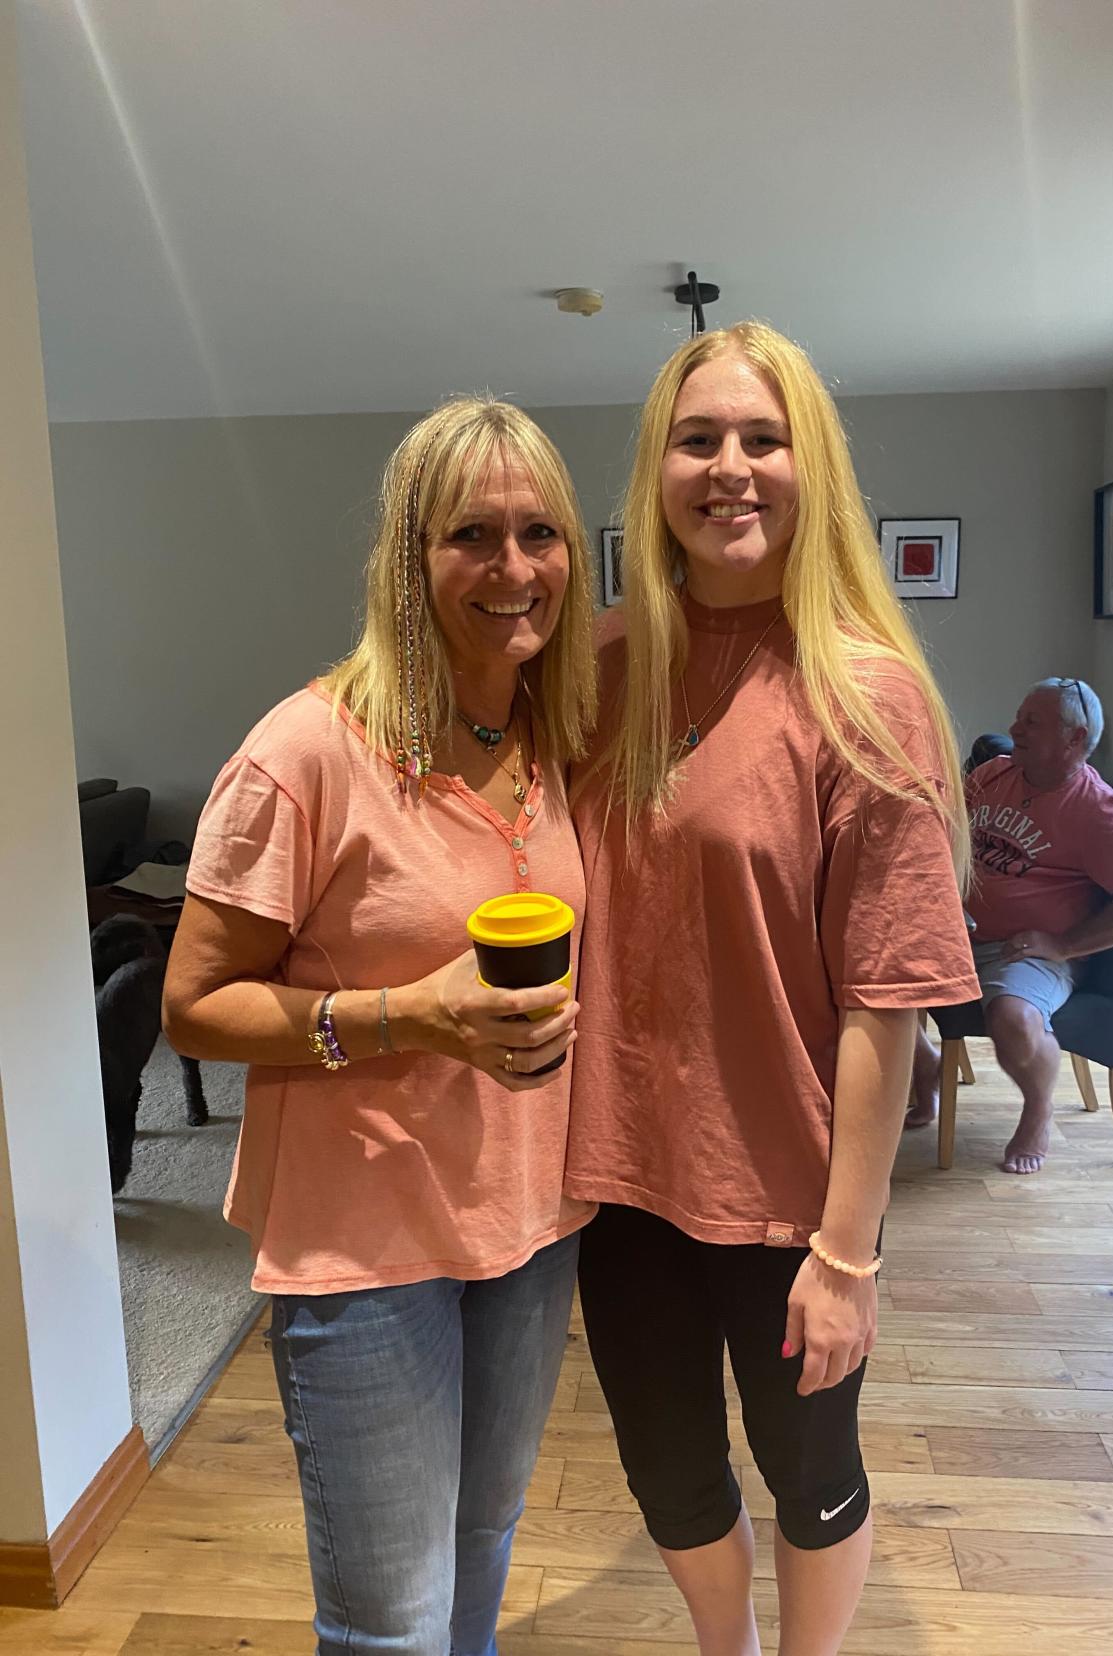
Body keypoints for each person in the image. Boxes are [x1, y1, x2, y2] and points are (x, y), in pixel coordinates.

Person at [565, 323, 979, 1656]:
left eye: (763, 437)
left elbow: (887, 998)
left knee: (809, 1483)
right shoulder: (600, 668)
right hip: (621, 1173)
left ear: (812, 467)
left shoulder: (862, 693)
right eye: (698, 440)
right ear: (655, 471)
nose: (730, 468)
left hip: (790, 1195)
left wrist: (845, 1255)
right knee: (669, 1475)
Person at [162, 398, 598, 1656]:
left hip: (528, 1221)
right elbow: (194, 1006)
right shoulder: (305, 750)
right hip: (366, 1242)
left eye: (541, 533)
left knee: (481, 1552)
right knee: (387, 1617)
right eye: (473, 535)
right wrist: (408, 1017)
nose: (514, 570)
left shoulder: (547, 731)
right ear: (409, 559)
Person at [906, 677, 1113, 1174]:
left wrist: (1063, 945)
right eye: (1019, 716)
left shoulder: (1101, 812)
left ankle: (1039, 1108)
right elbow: (945, 833)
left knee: (1014, 1020)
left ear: (1074, 738)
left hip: (1023, 951)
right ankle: (928, 1068)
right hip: (957, 930)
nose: (1012, 729)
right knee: (864, 974)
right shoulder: (993, 774)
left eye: (1032, 722)